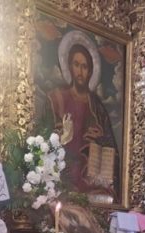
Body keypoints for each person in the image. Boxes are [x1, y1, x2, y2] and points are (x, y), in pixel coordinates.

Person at [48, 34, 120, 200]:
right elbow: (45, 138)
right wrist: (62, 135)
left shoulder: (97, 106)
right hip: (64, 170)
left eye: (85, 67)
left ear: (90, 71)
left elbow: (111, 148)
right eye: (76, 65)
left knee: (104, 195)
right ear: (69, 66)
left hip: (90, 173)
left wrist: (101, 139)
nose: (80, 72)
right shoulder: (57, 98)